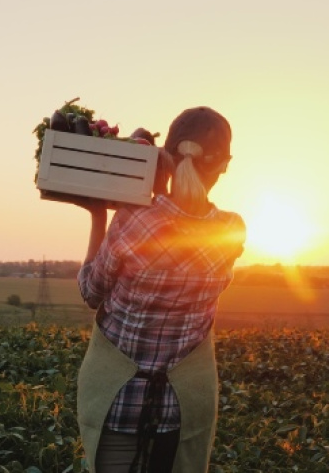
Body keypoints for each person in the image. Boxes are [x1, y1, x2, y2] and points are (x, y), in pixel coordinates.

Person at [74, 106, 246, 473]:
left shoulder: (133, 220)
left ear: (166, 155)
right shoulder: (232, 231)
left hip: (117, 404)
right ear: (225, 164)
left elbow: (91, 292)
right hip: (182, 411)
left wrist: (98, 215)